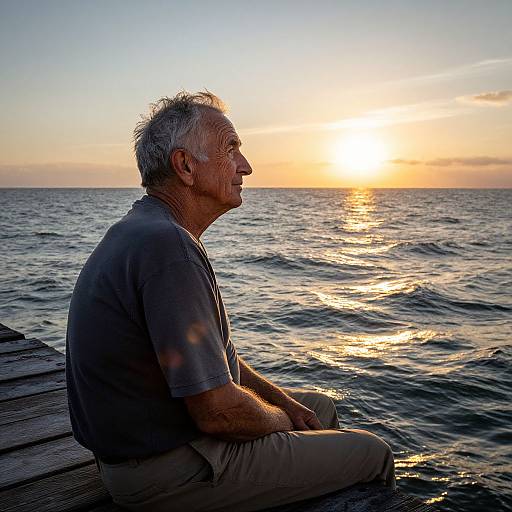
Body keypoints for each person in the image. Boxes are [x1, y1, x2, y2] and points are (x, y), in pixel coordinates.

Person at [65, 91, 395, 512]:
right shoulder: (169, 250)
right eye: (231, 149)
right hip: (162, 470)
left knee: (319, 408)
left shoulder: (147, 230)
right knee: (372, 452)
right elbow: (217, 413)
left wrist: (285, 403)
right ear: (185, 166)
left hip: (149, 446)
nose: (246, 166)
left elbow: (221, 362)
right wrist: (278, 423)